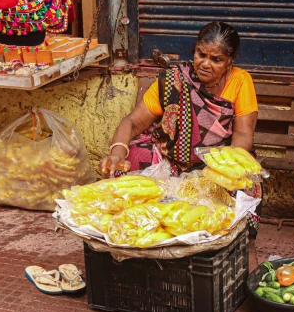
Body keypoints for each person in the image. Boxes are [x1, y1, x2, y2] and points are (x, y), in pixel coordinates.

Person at [99, 21, 262, 236]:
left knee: (242, 186)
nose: (205, 63)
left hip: (214, 164)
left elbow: (243, 133)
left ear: (229, 62)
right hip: (171, 160)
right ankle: (134, 224)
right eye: (200, 54)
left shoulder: (240, 81)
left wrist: (224, 167)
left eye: (216, 59)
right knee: (123, 168)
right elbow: (133, 122)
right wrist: (117, 154)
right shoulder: (173, 80)